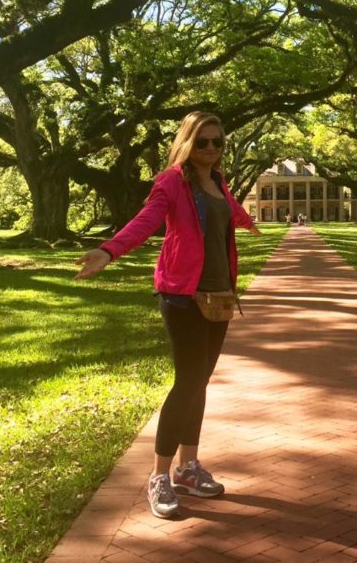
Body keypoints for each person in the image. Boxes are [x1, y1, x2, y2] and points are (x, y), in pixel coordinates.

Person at [73, 111, 261, 519]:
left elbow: (228, 211)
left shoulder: (220, 182)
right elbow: (146, 221)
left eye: (217, 142)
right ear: (188, 141)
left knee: (201, 382)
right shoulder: (173, 181)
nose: (210, 149)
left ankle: (188, 469)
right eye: (203, 141)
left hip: (220, 295)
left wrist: (248, 222)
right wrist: (108, 251)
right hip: (182, 296)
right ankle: (159, 476)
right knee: (187, 381)